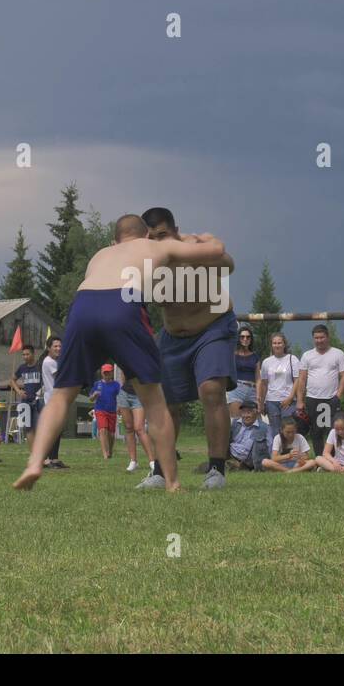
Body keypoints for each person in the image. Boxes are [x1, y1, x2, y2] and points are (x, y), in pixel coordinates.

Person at [15, 214, 197, 491]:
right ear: (146, 235)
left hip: (83, 305)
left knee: (62, 395)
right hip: (124, 302)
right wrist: (195, 240)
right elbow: (213, 252)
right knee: (155, 403)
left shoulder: (101, 254)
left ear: (115, 240)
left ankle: (35, 462)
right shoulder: (152, 246)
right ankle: (172, 483)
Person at [133, 207, 237, 491]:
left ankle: (216, 469)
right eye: (152, 238)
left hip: (213, 327)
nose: (159, 242)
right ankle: (160, 472)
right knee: (164, 403)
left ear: (176, 230)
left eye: (164, 235)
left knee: (211, 390)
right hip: (172, 337)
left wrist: (206, 250)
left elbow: (229, 265)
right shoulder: (145, 262)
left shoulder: (192, 249)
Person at [296, 324, 344, 449]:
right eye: (316, 338)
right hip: (313, 399)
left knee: (333, 430)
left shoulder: (338, 353)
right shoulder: (307, 355)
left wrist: (338, 395)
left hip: (331, 399)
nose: (319, 340)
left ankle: (334, 458)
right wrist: (299, 400)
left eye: (322, 337)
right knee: (316, 431)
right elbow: (302, 379)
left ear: (328, 337)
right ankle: (320, 460)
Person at [257, 332, 302, 452]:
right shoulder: (267, 362)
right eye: (274, 343)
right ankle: (277, 454)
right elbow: (264, 384)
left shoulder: (292, 359)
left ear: (284, 344)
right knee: (275, 430)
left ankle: (291, 453)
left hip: (288, 400)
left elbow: (297, 380)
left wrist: (291, 397)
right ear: (271, 345)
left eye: (279, 342)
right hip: (271, 401)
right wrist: (261, 402)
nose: (277, 345)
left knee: (288, 429)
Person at [113, 365, 156, 473]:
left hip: (139, 395)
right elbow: (123, 374)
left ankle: (152, 461)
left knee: (139, 428)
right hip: (124, 394)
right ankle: (133, 461)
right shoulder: (125, 359)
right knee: (128, 428)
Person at [38, 337, 68, 469]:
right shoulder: (49, 362)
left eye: (60, 346)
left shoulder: (55, 361)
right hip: (51, 401)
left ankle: (54, 459)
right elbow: (62, 378)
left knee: (57, 431)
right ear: (48, 348)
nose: (58, 349)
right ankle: (45, 460)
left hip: (57, 401)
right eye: (55, 346)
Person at [10, 344, 42, 447]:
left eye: (27, 354)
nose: (25, 357)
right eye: (23, 355)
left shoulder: (40, 366)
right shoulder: (22, 368)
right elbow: (12, 380)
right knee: (28, 428)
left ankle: (41, 453)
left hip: (38, 401)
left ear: (33, 354)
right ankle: (33, 454)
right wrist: (18, 391)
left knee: (39, 428)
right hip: (26, 402)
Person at [227, 326, 260, 421]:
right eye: (242, 336)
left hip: (252, 390)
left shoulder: (255, 356)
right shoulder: (232, 354)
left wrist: (259, 396)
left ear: (251, 339)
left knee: (255, 421)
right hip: (236, 389)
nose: (245, 339)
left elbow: (258, 378)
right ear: (238, 338)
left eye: (248, 337)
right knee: (236, 421)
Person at [89, 364, 122, 460]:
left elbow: (120, 396)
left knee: (111, 434)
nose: (107, 374)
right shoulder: (97, 384)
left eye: (109, 372)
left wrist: (120, 406)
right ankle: (105, 454)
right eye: (105, 372)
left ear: (112, 373)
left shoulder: (116, 385)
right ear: (102, 373)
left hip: (112, 411)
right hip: (100, 410)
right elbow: (91, 399)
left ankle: (110, 451)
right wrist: (94, 395)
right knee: (103, 430)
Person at [228, 400, 268, 470]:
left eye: (249, 412)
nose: (245, 416)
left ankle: (237, 466)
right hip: (230, 455)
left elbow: (269, 448)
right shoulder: (235, 423)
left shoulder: (264, 428)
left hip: (247, 461)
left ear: (256, 412)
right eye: (243, 412)